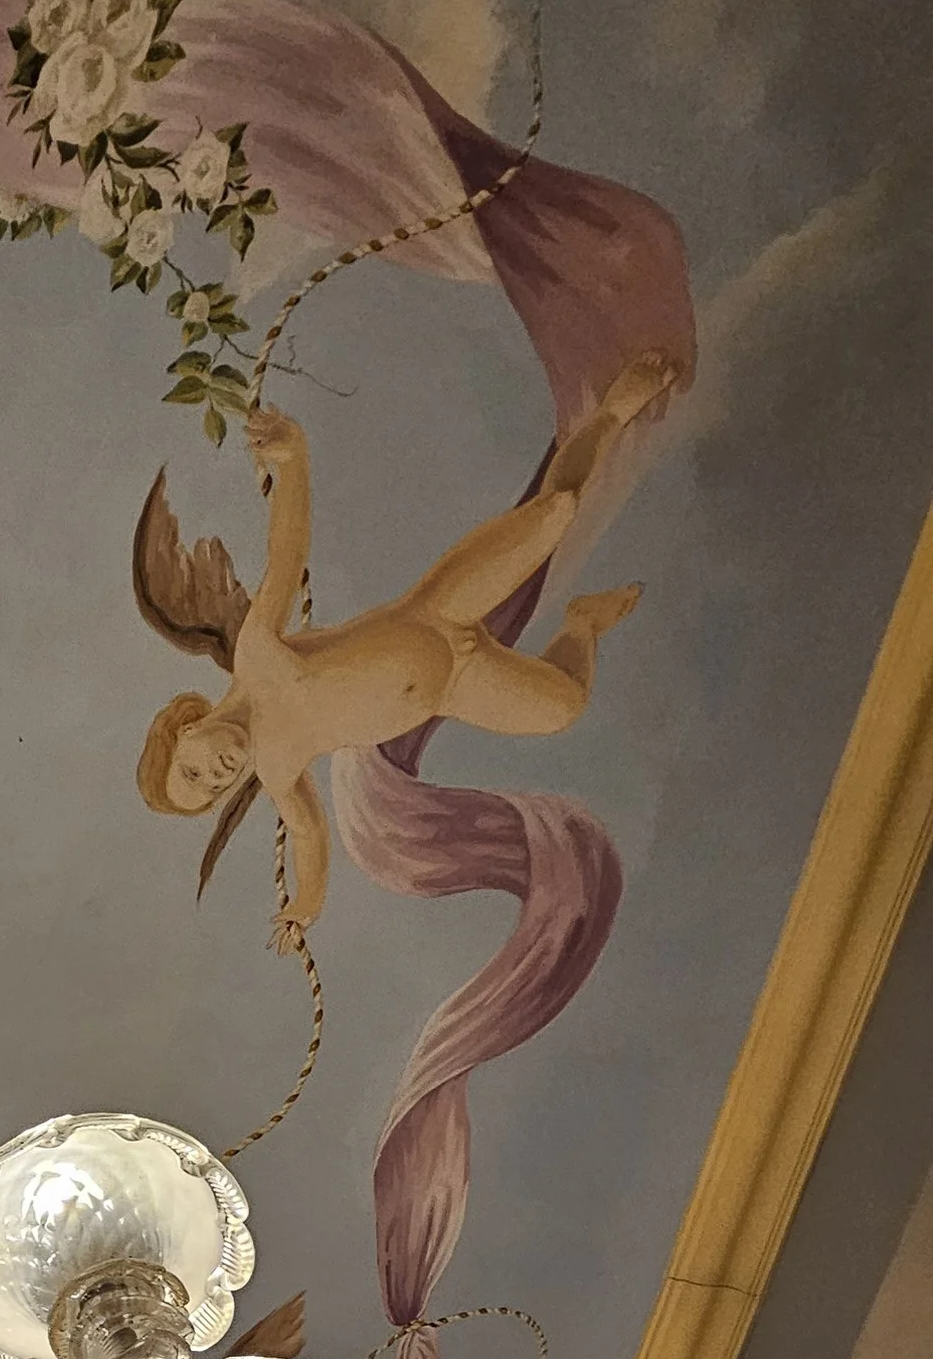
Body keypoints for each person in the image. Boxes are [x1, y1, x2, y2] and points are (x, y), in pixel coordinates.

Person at [134, 350, 676, 937]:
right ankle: (583, 624)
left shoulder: (259, 662)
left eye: (193, 772)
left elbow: (285, 561)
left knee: (555, 512)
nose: (216, 775)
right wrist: (307, 906)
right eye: (213, 789)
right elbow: (311, 836)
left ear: (184, 729)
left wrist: (294, 463)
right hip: (455, 686)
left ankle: (611, 415)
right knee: (561, 708)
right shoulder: (278, 764)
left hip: (440, 610)